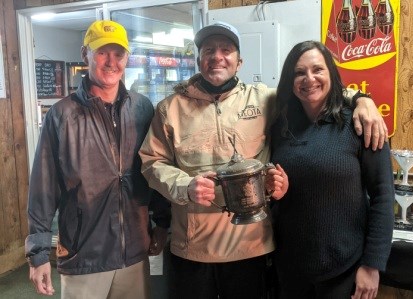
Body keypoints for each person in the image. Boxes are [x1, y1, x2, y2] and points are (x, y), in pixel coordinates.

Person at [139, 22, 387, 299]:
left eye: (226, 50)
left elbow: (315, 90)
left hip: (252, 247)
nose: (217, 56)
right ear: (199, 59)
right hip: (193, 247)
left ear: (239, 61)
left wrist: (363, 99)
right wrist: (184, 186)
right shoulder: (169, 109)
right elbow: (151, 162)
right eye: (209, 50)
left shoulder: (264, 99)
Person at [25, 20, 169, 298]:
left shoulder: (141, 108)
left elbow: (155, 169)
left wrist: (162, 223)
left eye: (119, 54)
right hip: (85, 254)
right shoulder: (62, 115)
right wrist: (38, 253)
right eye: (102, 52)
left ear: (127, 58)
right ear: (85, 54)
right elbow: (43, 187)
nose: (111, 61)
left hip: (136, 251)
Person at [270, 40, 395, 299]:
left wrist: (372, 265)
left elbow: (383, 195)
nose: (309, 78)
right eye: (299, 72)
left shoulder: (360, 123)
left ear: (331, 74)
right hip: (289, 269)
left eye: (318, 69)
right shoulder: (280, 127)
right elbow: (278, 194)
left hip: (343, 271)